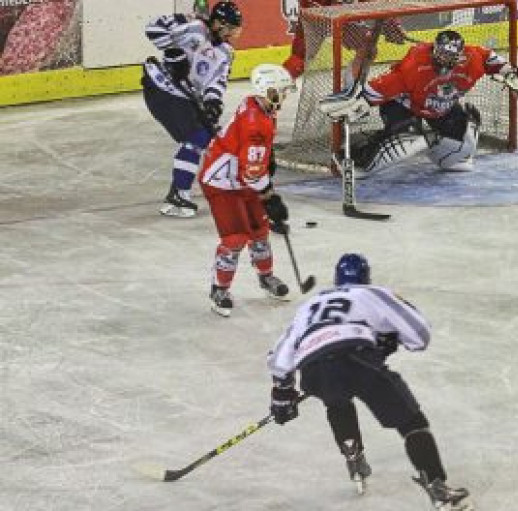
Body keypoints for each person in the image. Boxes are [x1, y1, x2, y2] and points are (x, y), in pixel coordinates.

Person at [266, 254, 473, 510]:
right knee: (411, 423)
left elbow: (280, 357)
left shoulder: (310, 305)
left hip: (313, 369)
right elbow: (419, 334)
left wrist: (282, 395)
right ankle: (438, 490)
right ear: (366, 277)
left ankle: (353, 457)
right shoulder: (370, 293)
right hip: (356, 359)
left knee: (336, 400)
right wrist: (388, 341)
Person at [319, 29, 518, 172]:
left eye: (451, 57)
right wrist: (356, 103)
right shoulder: (415, 65)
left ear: (460, 56)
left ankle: (433, 144)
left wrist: (512, 75)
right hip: (403, 106)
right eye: (441, 55)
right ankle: (359, 159)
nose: (445, 60)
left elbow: (492, 60)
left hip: (442, 109)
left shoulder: (473, 59)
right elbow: (380, 89)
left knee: (462, 151)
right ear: (434, 51)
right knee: (407, 138)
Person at [197, 64, 296, 317]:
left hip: (241, 178)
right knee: (236, 238)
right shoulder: (255, 124)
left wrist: (267, 164)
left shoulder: (259, 105)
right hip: (221, 183)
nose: (284, 96)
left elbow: (252, 165)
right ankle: (219, 290)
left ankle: (266, 278)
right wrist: (270, 196)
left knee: (259, 231)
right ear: (269, 91)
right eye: (282, 91)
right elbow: (251, 173)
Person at [142, 1, 243, 218]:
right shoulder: (194, 26)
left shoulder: (226, 53)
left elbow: (216, 82)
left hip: (181, 95)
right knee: (196, 136)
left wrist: (213, 102)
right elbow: (153, 28)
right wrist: (173, 52)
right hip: (160, 86)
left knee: (204, 136)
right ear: (217, 23)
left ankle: (178, 191)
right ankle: (178, 194)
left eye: (236, 30)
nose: (232, 34)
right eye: (230, 28)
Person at [281, 0, 407, 79]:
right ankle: (270, 91)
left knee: (368, 49)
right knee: (299, 59)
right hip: (316, 16)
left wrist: (392, 23)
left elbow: (378, 3)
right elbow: (314, 8)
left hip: (340, 14)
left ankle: (350, 98)